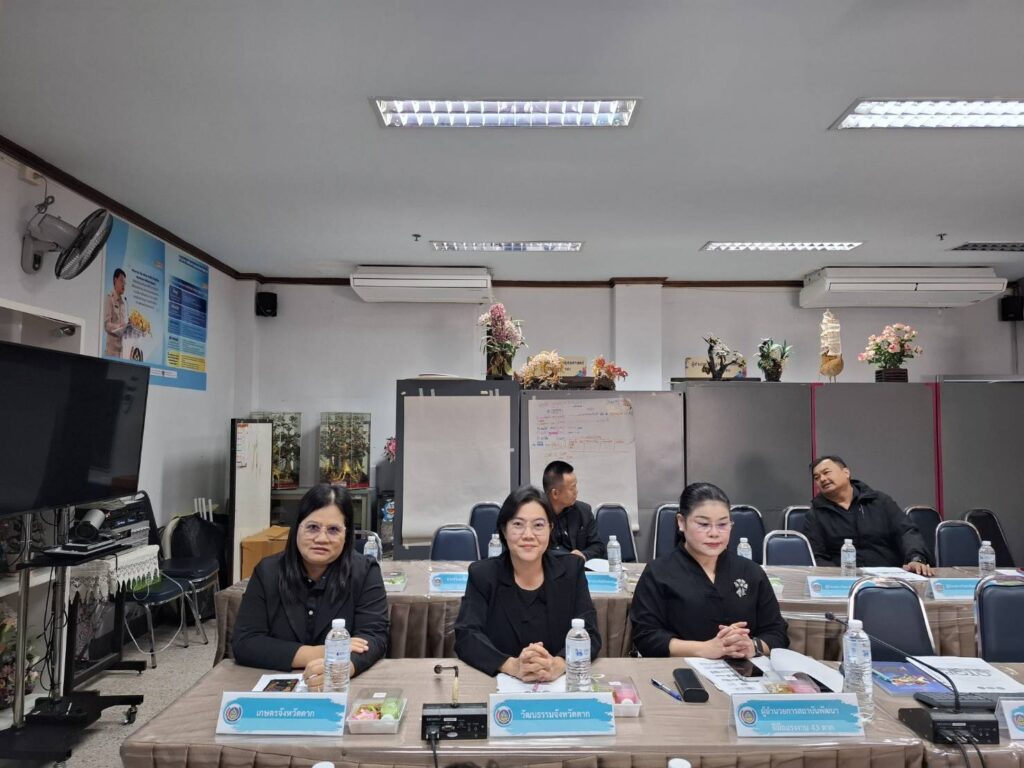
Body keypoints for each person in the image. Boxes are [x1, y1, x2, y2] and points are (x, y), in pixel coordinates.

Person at [232, 484, 389, 686]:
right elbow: (245, 642)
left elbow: (374, 637)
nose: (321, 539)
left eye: (333, 530)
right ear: (297, 528)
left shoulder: (365, 571)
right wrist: (323, 652)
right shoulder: (268, 571)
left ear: (347, 534)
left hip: (339, 684)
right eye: (312, 527)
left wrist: (344, 667)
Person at [454, 485, 601, 680]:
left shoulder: (571, 570)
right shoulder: (483, 575)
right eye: (518, 524)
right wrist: (511, 666)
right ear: (504, 530)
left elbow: (590, 634)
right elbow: (466, 635)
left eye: (538, 525)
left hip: (559, 686)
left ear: (550, 529)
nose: (528, 535)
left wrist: (559, 664)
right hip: (500, 685)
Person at [630, 482, 788, 659]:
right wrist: (704, 649)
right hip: (680, 669)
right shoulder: (658, 572)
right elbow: (646, 636)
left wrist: (752, 646)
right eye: (704, 524)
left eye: (722, 524)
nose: (714, 533)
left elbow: (777, 632)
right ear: (681, 522)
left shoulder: (750, 571)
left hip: (744, 669)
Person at [806, 456, 933, 575]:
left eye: (826, 472)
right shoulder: (815, 514)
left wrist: (916, 558)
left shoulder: (879, 502)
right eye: (817, 477)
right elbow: (817, 555)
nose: (822, 479)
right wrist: (837, 577)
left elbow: (906, 532)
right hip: (844, 579)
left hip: (888, 576)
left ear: (846, 473)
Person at [542, 460, 605, 560]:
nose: (576, 491)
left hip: (579, 568)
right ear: (555, 493)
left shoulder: (583, 511)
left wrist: (583, 555)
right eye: (572, 488)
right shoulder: (537, 516)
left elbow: (598, 546)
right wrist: (568, 557)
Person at [103, 268, 128, 357]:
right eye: (121, 281)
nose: (123, 285)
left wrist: (128, 327)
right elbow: (106, 325)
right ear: (115, 280)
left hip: (121, 351)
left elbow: (123, 327)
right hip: (111, 352)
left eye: (125, 282)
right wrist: (119, 327)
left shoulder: (123, 303)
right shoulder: (109, 298)